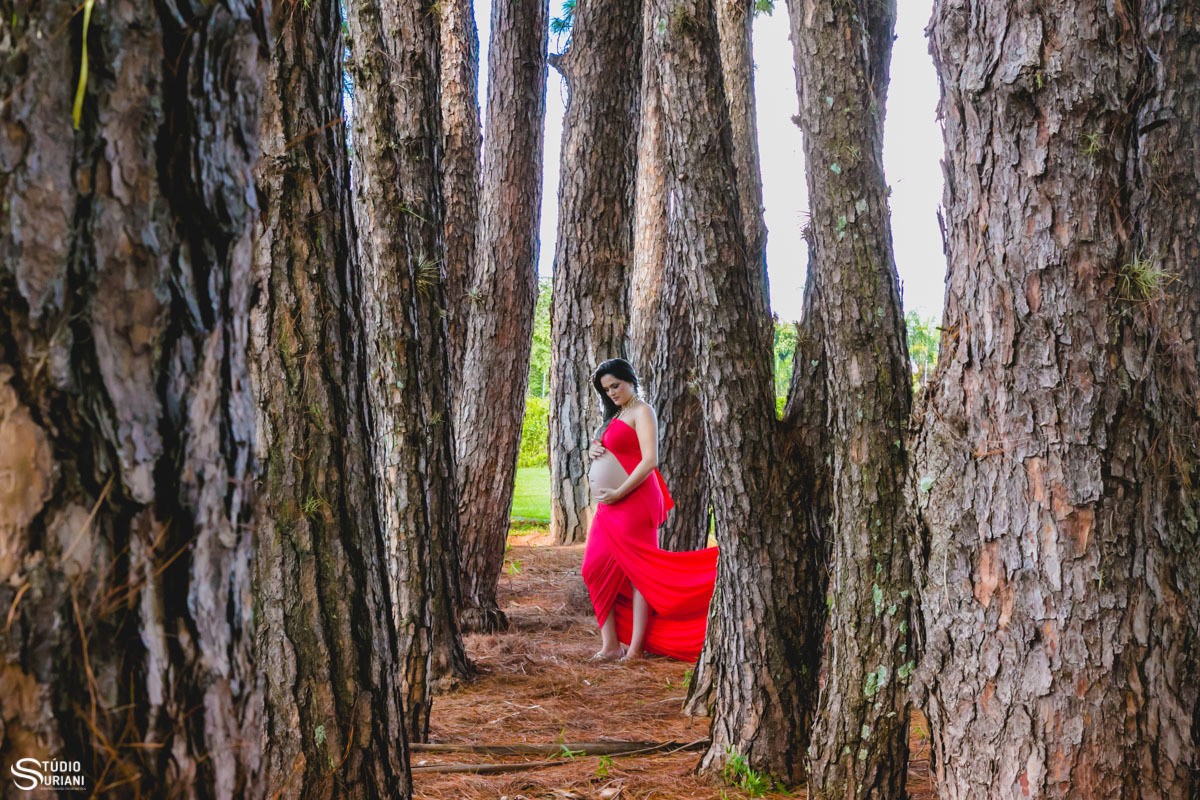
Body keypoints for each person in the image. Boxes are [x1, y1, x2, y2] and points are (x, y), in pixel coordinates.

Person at [580, 358, 718, 662]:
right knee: (592, 568)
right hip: (610, 505)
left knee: (637, 574)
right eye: (606, 389)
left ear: (630, 379)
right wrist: (592, 449)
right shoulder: (616, 414)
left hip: (634, 501)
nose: (612, 392)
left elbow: (649, 460)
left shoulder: (642, 411)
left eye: (615, 385)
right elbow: (609, 449)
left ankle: (636, 649)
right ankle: (611, 645)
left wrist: (618, 491)